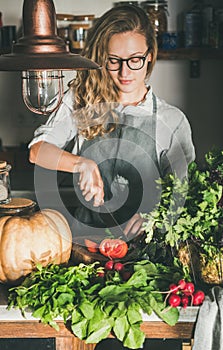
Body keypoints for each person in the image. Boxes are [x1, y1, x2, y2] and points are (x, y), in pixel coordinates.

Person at [29, 5, 195, 349]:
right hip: (83, 258)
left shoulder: (171, 120)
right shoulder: (81, 100)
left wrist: (154, 217)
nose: (124, 71)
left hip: (149, 267)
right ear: (100, 59)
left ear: (150, 57)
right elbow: (38, 150)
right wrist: (80, 164)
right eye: (113, 60)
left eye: (134, 59)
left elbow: (185, 196)